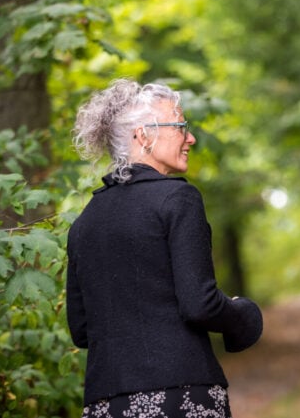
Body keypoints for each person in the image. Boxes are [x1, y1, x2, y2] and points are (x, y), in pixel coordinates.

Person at [66, 79, 263, 417]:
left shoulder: (83, 223)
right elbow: (199, 304)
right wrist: (244, 315)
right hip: (182, 395)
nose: (191, 138)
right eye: (181, 126)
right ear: (143, 135)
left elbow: (82, 331)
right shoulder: (178, 199)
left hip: (106, 403)